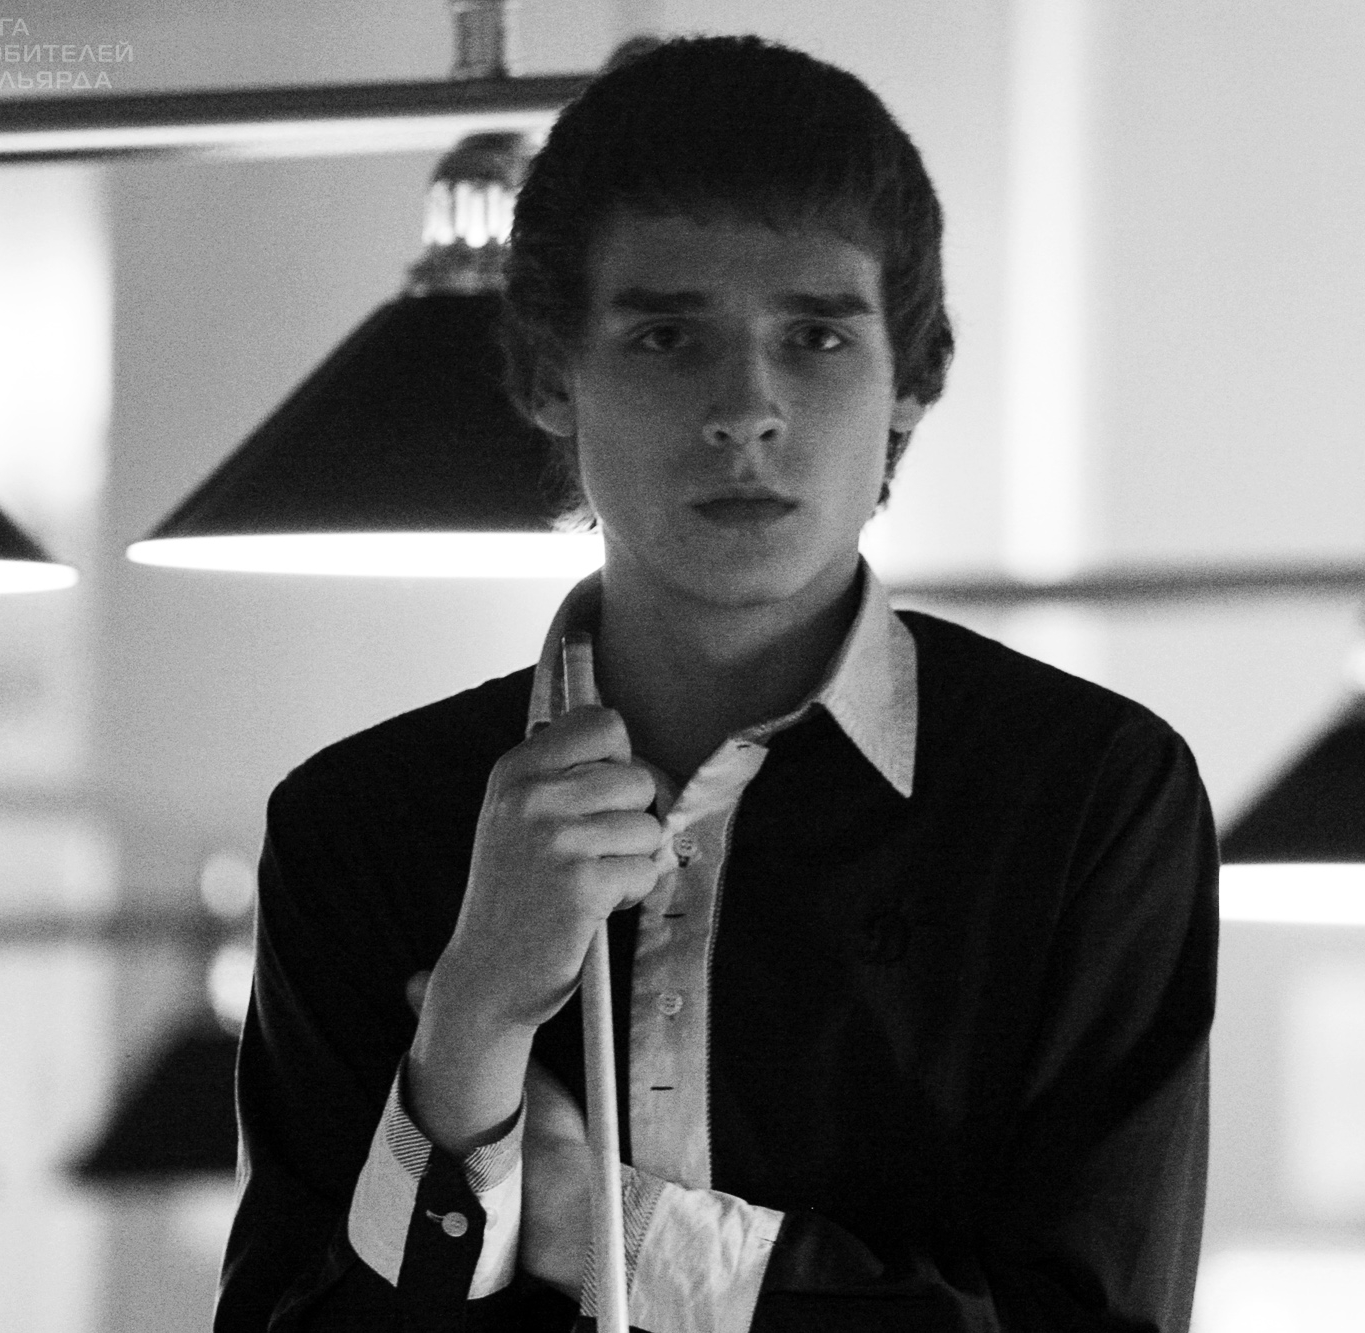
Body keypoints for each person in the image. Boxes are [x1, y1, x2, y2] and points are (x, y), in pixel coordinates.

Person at [216, 34, 1217, 1333]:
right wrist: (468, 1032)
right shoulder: (357, 828)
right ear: (548, 375)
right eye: (667, 336)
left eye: (816, 336)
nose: (746, 408)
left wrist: (603, 1229)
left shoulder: (1086, 800)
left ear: (913, 382)